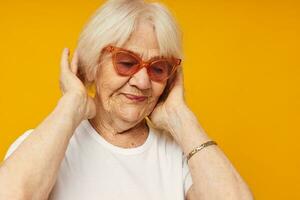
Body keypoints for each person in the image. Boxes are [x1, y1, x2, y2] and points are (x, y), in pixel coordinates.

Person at [0, 0, 254, 199]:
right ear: (91, 66)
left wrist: (181, 118)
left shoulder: (180, 155)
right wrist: (71, 105)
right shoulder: (45, 144)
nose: (142, 82)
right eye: (126, 62)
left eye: (158, 69)